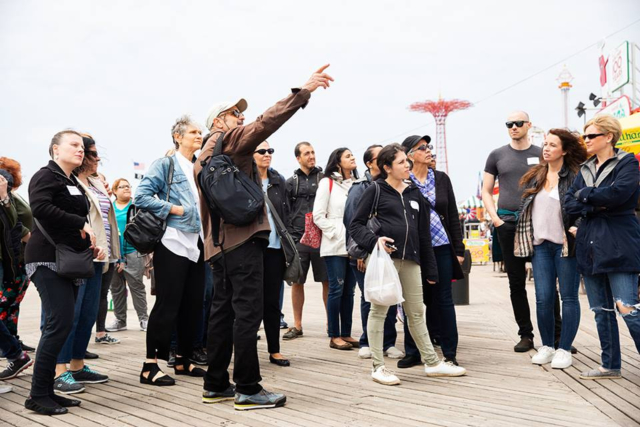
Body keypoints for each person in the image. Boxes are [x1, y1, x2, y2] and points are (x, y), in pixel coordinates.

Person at [196, 64, 332, 410]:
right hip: (242, 241)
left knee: (222, 312)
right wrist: (303, 92)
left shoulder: (202, 158)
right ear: (217, 122)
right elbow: (266, 122)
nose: (240, 117)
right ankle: (248, 387)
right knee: (248, 313)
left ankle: (215, 384)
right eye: (233, 113)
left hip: (217, 246)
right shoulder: (230, 142)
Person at [349, 143, 467, 385]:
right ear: (387, 167)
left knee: (416, 312)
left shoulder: (414, 193)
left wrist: (431, 269)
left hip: (411, 261)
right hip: (384, 260)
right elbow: (355, 226)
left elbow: (424, 235)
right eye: (402, 162)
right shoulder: (375, 191)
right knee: (379, 311)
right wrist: (374, 241)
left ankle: (432, 363)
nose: (408, 165)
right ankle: (378, 366)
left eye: (407, 161)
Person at [25, 130, 102, 415]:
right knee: (58, 324)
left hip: (68, 259)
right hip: (45, 259)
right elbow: (40, 208)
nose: (80, 150)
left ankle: (47, 391)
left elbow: (71, 222)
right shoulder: (45, 176)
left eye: (82, 147)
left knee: (64, 324)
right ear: (55, 150)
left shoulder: (71, 181)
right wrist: (79, 224)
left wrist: (89, 245)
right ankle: (36, 395)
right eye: (73, 145)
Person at [564, 114, 640, 380]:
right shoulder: (584, 168)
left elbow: (621, 194)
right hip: (590, 243)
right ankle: (610, 364)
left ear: (608, 136)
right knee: (601, 311)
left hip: (619, 241)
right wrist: (596, 201)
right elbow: (568, 204)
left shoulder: (627, 162)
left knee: (628, 308)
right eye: (585, 136)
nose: (586, 140)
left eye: (591, 136)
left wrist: (585, 196)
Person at [136, 115, 207, 386]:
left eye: (200, 132)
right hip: (172, 241)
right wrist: (173, 209)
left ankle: (183, 359)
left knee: (193, 304)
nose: (198, 136)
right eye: (193, 132)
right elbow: (141, 195)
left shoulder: (199, 166)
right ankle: (150, 365)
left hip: (198, 243)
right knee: (167, 304)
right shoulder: (165, 164)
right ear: (177, 136)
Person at [515, 129, 587, 369]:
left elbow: (583, 208)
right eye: (545, 144)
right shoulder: (536, 175)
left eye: (552, 145)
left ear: (564, 150)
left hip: (566, 245)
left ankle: (564, 349)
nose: (546, 149)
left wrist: (577, 226)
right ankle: (547, 345)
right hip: (541, 246)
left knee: (568, 297)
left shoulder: (576, 176)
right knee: (543, 298)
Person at [53, 135, 116, 395]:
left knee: (89, 314)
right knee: (72, 314)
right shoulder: (67, 181)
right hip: (79, 256)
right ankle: (59, 370)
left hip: (100, 256)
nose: (96, 158)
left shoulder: (95, 182)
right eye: (90, 153)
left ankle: (78, 365)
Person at [482, 111, 549, 352]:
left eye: (518, 123)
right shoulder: (497, 155)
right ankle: (526, 335)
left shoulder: (542, 153)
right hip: (508, 223)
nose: (513, 127)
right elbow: (486, 191)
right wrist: (496, 219)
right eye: (509, 123)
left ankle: (556, 336)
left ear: (529, 125)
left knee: (547, 280)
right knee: (516, 282)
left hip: (539, 222)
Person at [399, 135, 465, 368]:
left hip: (443, 247)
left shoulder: (441, 178)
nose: (428, 151)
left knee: (444, 299)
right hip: (416, 251)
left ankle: (450, 351)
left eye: (429, 147)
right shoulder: (404, 181)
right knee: (414, 301)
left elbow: (454, 215)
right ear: (409, 155)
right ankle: (413, 351)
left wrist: (459, 249)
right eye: (422, 148)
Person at [343, 145, 402, 359]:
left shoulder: (394, 185)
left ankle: (388, 342)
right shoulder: (360, 188)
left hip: (390, 251)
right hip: (365, 250)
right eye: (379, 157)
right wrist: (363, 252)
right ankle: (367, 341)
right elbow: (352, 222)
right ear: (370, 163)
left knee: (389, 294)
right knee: (370, 297)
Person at [313, 147, 358, 350]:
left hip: (354, 244)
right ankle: (334, 334)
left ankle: (346, 333)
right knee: (336, 289)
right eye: (348, 156)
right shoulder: (327, 183)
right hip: (335, 245)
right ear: (338, 162)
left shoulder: (356, 184)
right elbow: (318, 215)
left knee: (350, 291)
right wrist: (337, 232)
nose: (353, 158)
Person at [283, 142, 329, 341]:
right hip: (299, 238)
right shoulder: (290, 182)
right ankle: (297, 325)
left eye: (313, 152)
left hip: (322, 238)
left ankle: (331, 325)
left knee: (327, 281)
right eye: (306, 153)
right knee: (297, 282)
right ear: (298, 158)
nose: (311, 156)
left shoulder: (325, 179)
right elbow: (285, 210)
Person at [254, 141, 291, 367]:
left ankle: (274, 350)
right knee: (250, 301)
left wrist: (292, 239)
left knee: (272, 302)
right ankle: (244, 348)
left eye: (270, 151)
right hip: (252, 249)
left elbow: (289, 212)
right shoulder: (245, 181)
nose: (267, 155)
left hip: (276, 249)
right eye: (262, 151)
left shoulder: (279, 181)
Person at [0, 168, 33, 388]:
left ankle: (14, 352)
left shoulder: (11, 199)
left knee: (8, 306)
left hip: (12, 261)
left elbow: (15, 223)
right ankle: (15, 352)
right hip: (13, 261)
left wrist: (3, 197)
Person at [106, 178, 149, 333]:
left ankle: (144, 319)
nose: (126, 189)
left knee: (137, 286)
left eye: (128, 186)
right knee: (116, 288)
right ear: (115, 191)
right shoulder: (110, 207)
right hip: (114, 253)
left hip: (133, 251)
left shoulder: (137, 207)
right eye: (122, 187)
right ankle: (120, 320)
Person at [94, 172, 121, 346]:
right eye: (100, 181)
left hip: (109, 255)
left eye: (105, 181)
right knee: (90, 296)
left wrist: (118, 256)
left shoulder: (108, 204)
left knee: (103, 294)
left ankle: (101, 333)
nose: (104, 184)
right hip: (95, 254)